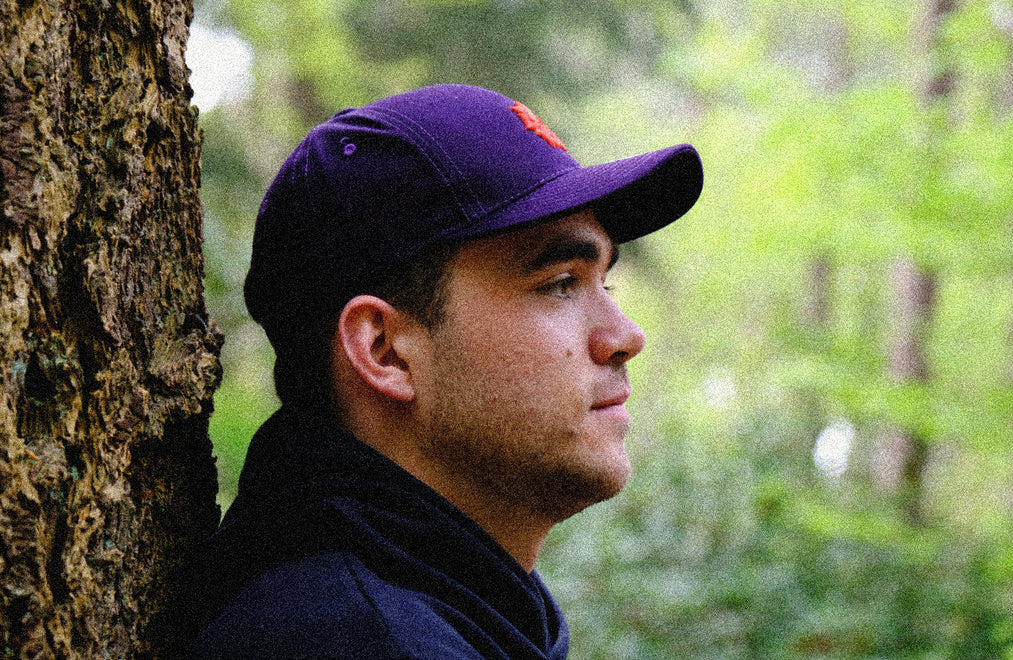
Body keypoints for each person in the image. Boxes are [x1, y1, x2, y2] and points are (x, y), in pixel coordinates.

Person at [181, 84, 703, 658]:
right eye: (559, 285)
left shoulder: (456, 613)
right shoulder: (354, 641)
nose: (626, 336)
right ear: (383, 350)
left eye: (605, 283)